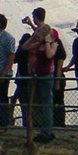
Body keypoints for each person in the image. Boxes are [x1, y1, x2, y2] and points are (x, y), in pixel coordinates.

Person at [21, 8, 59, 142]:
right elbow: (24, 47)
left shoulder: (53, 45)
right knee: (41, 105)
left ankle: (47, 132)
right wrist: (33, 35)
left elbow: (49, 55)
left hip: (46, 76)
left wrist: (47, 42)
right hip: (38, 75)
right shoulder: (38, 43)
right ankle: (44, 130)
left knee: (46, 105)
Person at [11, 32, 32, 126]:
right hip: (28, 80)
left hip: (22, 81)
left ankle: (25, 124)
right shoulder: (31, 51)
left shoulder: (22, 52)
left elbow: (14, 60)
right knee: (27, 105)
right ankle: (27, 124)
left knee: (22, 104)